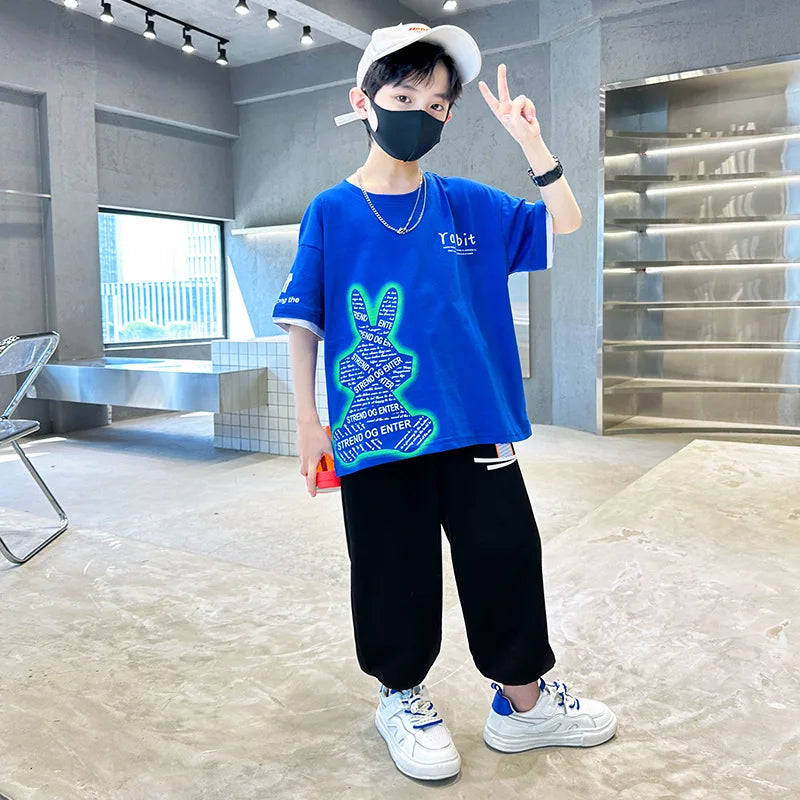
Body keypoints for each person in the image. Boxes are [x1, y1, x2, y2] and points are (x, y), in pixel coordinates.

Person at [272, 22, 617, 782]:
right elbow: (304, 321)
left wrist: (531, 142)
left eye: (436, 105)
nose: (421, 114)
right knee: (392, 570)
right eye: (404, 97)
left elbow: (564, 221)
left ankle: (524, 703)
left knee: (506, 557)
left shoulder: (468, 205)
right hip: (376, 428)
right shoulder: (331, 211)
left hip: (476, 423)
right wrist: (308, 422)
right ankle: (401, 696)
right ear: (363, 101)